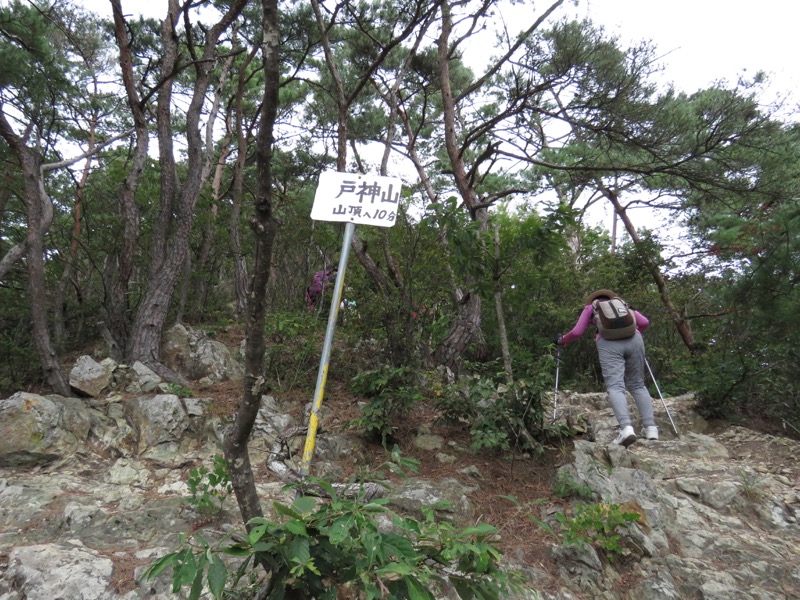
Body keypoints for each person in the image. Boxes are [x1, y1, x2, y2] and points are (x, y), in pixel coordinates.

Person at [557, 289, 658, 447]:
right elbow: (644, 322)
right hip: (635, 339)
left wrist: (562, 340)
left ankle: (626, 429)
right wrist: (635, 334)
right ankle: (651, 428)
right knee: (638, 384)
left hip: (608, 344)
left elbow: (577, 332)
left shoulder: (591, 308)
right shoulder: (622, 304)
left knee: (616, 386)